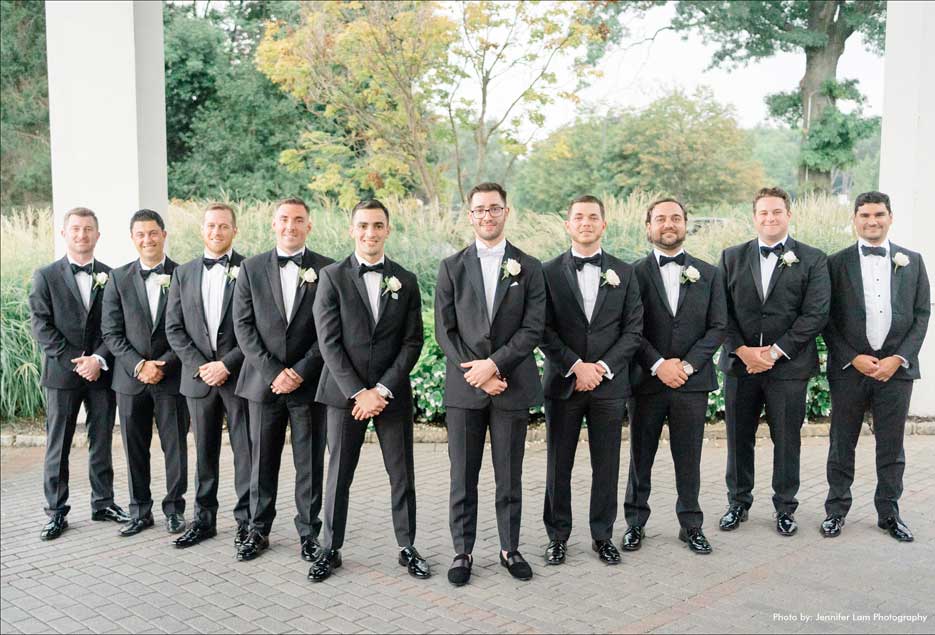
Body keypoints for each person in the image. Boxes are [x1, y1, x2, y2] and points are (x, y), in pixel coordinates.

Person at [308, 199, 427, 582]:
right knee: (339, 474)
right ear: (352, 230)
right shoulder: (331, 276)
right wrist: (359, 392)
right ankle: (329, 548)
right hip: (345, 396)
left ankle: (407, 546)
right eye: (363, 226)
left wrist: (383, 389)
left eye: (377, 226)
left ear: (387, 229)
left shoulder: (405, 280)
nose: (370, 233)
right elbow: (328, 342)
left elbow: (413, 341)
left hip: (391, 395)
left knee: (401, 473)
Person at [435, 182, 546, 585]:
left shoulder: (529, 267)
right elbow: (444, 331)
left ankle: (509, 548)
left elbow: (533, 328)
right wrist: (477, 372)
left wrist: (496, 366)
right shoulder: (451, 266)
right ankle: (462, 552)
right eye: (479, 209)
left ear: (506, 212)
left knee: (509, 475)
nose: (487, 215)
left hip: (510, 385)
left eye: (494, 208)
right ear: (470, 216)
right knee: (462, 477)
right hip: (465, 391)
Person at [718, 187, 830, 536]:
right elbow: (719, 312)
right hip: (741, 367)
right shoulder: (731, 257)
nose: (770, 218)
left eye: (777, 212)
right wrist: (743, 350)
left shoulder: (813, 259)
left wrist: (774, 353)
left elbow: (816, 314)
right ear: (754, 217)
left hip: (789, 369)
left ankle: (785, 508)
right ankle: (738, 503)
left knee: (787, 440)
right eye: (764, 213)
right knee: (739, 439)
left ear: (788, 215)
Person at [539, 195, 642, 566]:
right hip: (563, 384)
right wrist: (575, 366)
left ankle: (603, 536)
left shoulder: (625, 272)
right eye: (578, 217)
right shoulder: (545, 272)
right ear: (568, 225)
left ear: (604, 224)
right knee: (558, 464)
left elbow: (633, 331)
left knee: (607, 463)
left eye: (593, 217)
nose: (586, 222)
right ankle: (557, 536)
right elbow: (541, 328)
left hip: (609, 386)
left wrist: (600, 368)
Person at [821, 191, 930, 541]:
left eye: (879, 215)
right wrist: (852, 357)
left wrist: (899, 359)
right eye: (865, 215)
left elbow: (922, 314)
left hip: (896, 371)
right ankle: (836, 511)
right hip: (850, 369)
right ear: (855, 219)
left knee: (891, 446)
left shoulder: (912, 261)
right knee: (841, 443)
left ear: (890, 217)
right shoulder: (835, 264)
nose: (872, 221)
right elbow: (826, 318)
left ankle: (889, 513)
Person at [623, 198, 726, 555]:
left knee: (689, 456)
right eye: (661, 218)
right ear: (648, 226)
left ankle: (691, 525)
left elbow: (717, 327)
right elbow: (630, 329)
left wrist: (686, 366)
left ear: (686, 224)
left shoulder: (710, 274)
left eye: (676, 218)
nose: (669, 224)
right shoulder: (630, 274)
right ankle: (635, 523)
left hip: (691, 383)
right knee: (641, 456)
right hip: (646, 382)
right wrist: (658, 364)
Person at [233, 197, 333, 562]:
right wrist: (274, 371)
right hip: (263, 382)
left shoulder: (328, 269)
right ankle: (258, 530)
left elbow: (329, 331)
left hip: (308, 383)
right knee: (261, 460)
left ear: (309, 225)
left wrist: (301, 370)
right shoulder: (251, 268)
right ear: (273, 224)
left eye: (298, 220)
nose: (290, 226)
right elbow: (243, 327)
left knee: (309, 460)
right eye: (284, 220)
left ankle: (309, 533)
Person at [29, 207, 129, 540]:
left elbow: (115, 326)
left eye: (88, 229)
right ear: (64, 233)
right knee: (58, 444)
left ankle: (104, 503)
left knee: (101, 440)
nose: (81, 235)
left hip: (101, 374)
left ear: (97, 235)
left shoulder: (112, 276)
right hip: (62, 375)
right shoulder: (45, 276)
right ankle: (56, 511)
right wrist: (78, 360)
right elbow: (41, 326)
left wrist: (98, 359)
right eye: (75, 229)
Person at [165, 203, 252, 550]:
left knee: (246, 451)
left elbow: (255, 329)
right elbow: (174, 327)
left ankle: (247, 521)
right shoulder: (183, 273)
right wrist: (202, 365)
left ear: (235, 230)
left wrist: (226, 364)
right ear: (202, 230)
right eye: (211, 226)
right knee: (204, 452)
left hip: (239, 376)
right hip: (199, 379)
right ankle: (204, 520)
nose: (217, 232)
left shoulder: (250, 269)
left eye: (224, 226)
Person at [101, 209, 188, 537]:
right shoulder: (118, 278)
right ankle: (140, 511)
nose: (147, 239)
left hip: (172, 377)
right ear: (133, 238)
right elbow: (111, 332)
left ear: (164, 235)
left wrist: (163, 364)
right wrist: (139, 365)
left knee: (175, 447)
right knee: (133, 447)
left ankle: (174, 510)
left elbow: (188, 329)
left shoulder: (184, 274)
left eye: (153, 233)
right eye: (141, 234)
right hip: (130, 379)